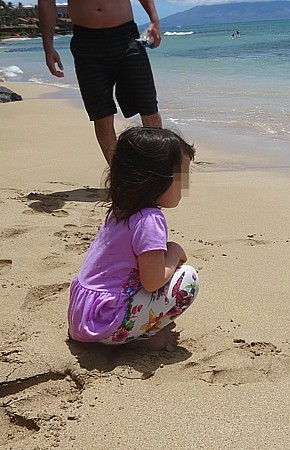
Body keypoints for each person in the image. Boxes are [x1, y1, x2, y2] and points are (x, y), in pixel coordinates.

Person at [68, 127, 198, 349]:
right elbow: (153, 281)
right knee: (188, 279)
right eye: (181, 177)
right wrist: (174, 251)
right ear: (155, 179)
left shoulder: (120, 210)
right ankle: (143, 339)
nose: (185, 186)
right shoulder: (150, 220)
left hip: (83, 315)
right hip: (107, 323)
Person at [38, 0, 163, 165]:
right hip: (86, 42)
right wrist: (48, 46)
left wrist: (154, 19)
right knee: (101, 115)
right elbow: (46, 2)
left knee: (148, 107)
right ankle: (118, 176)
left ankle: (158, 170)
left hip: (126, 37)